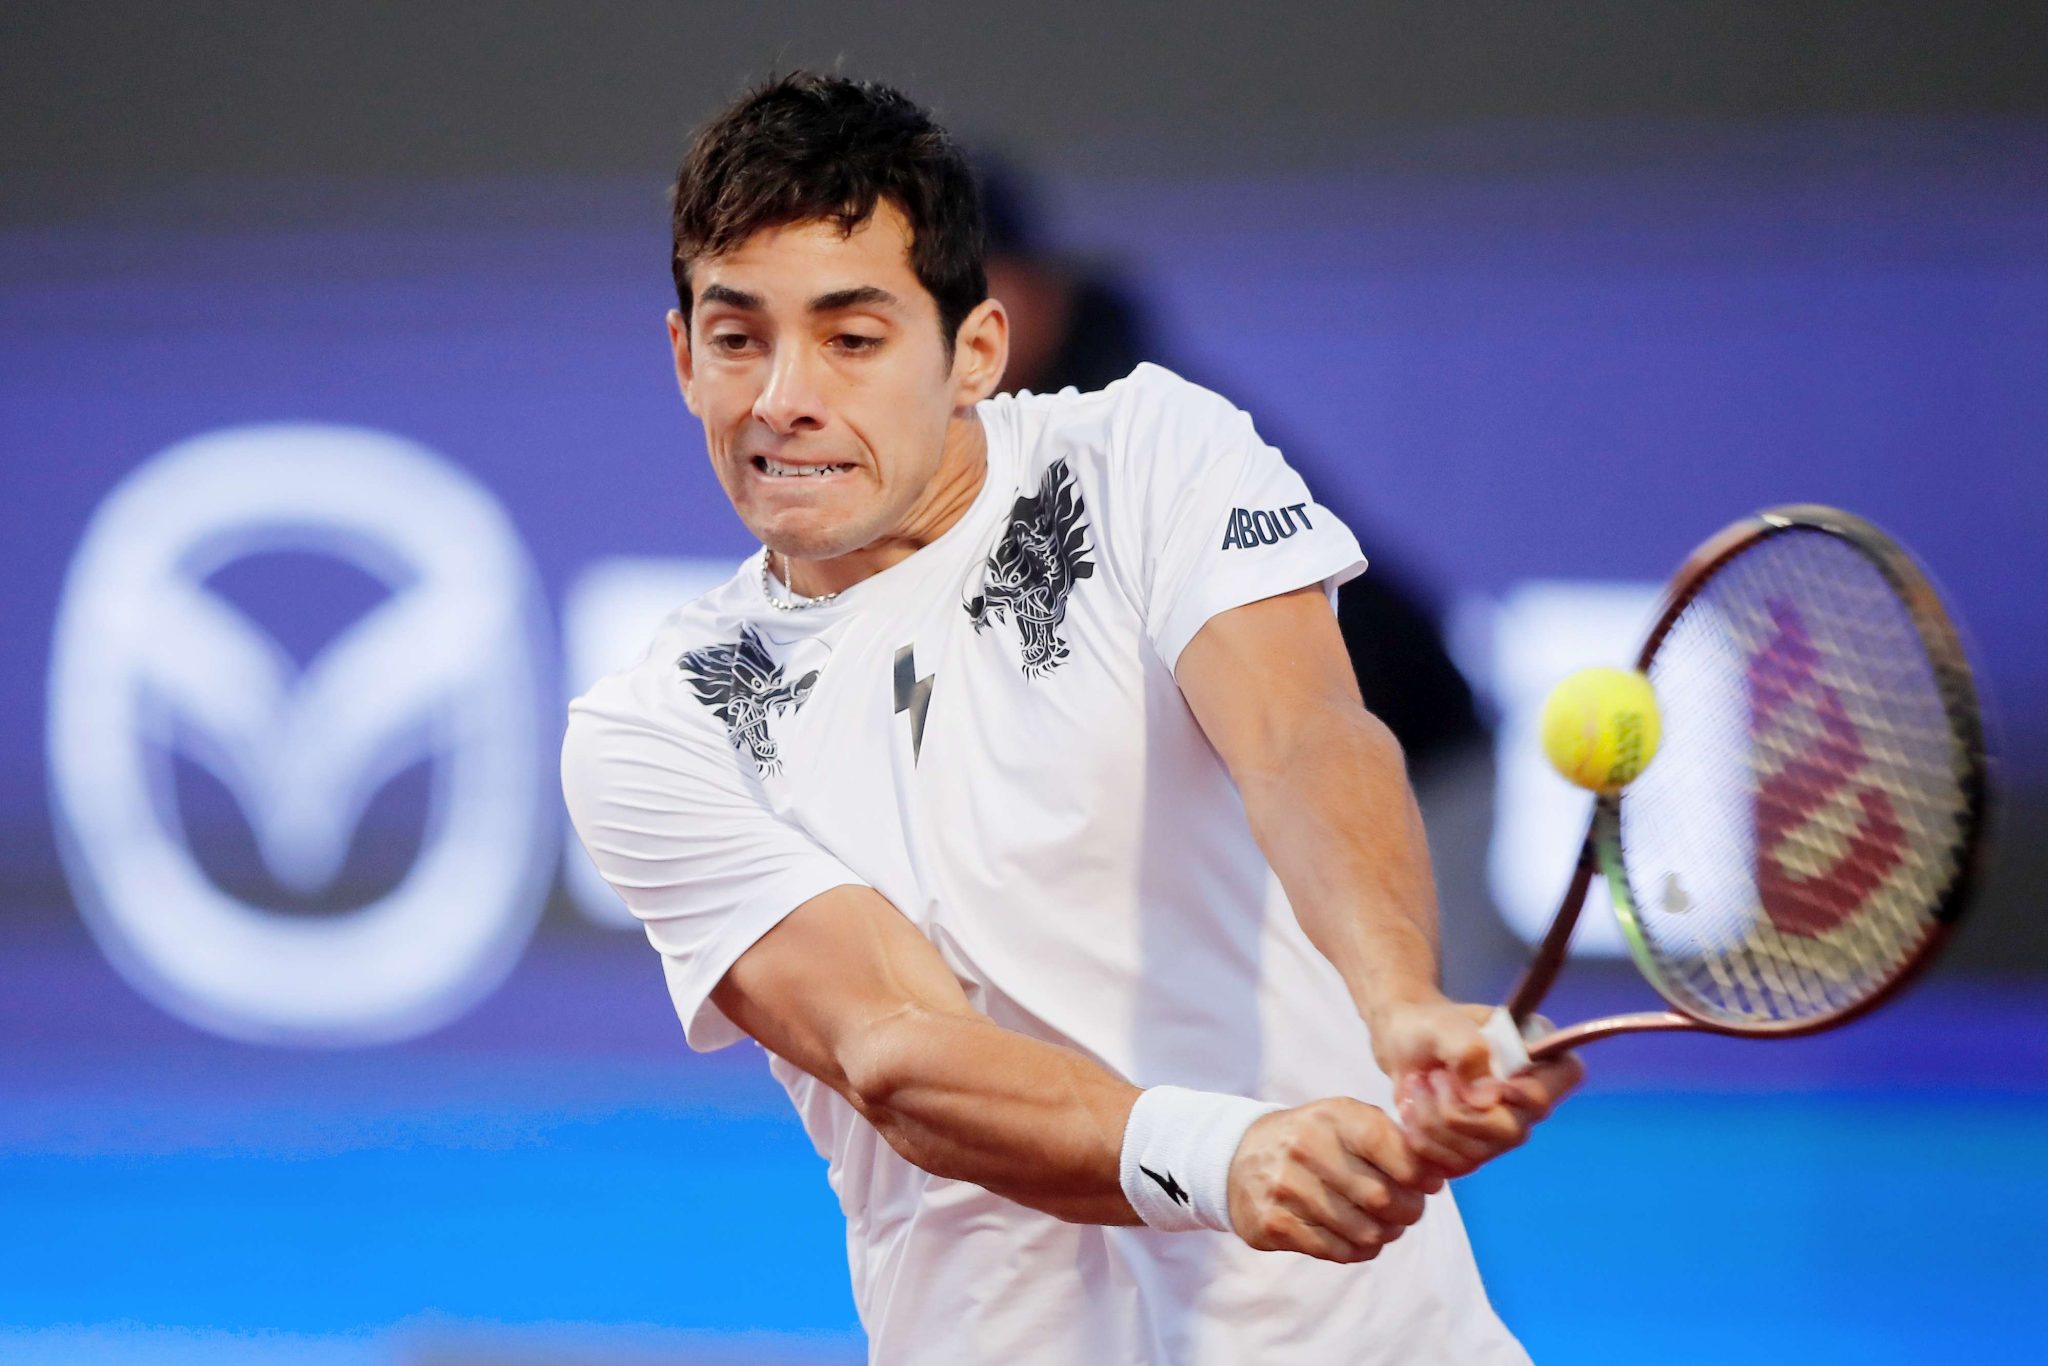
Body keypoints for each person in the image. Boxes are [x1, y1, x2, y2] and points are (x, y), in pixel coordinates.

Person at [562, 72, 1581, 1364]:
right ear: (682, 357)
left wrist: (1401, 1003)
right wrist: (1224, 1156)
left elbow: (1303, 738)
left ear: (976, 351)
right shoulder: (660, 726)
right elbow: (898, 1048)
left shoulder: (1147, 451)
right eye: (737, 337)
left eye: (852, 337)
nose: (782, 397)